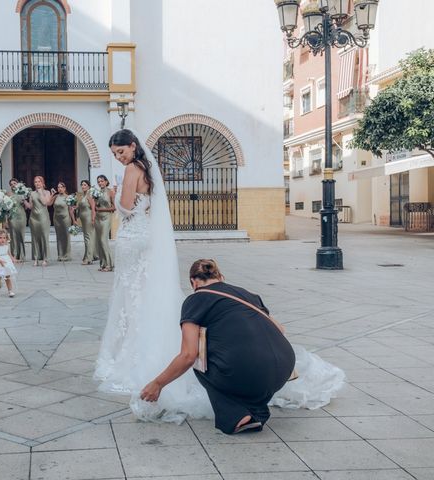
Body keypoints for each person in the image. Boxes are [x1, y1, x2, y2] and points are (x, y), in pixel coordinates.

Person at [94, 129, 345, 425]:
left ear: (132, 146)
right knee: (141, 295)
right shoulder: (146, 169)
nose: (118, 157)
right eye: (115, 154)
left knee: (133, 298)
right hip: (145, 238)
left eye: (120, 152)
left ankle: (137, 354)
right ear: (219, 276)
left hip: (133, 239)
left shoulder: (130, 169)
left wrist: (113, 193)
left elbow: (124, 208)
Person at [140, 259, 296, 434]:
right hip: (285, 366)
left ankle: (237, 417)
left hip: (252, 369)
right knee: (237, 359)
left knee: (200, 362)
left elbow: (188, 355)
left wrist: (158, 383)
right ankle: (255, 409)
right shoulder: (247, 293)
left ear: (193, 282)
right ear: (221, 277)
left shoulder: (195, 299)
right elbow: (280, 329)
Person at [24, 175, 51, 266]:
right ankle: (36, 258)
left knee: (44, 237)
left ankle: (45, 258)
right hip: (34, 218)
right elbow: (31, 206)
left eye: (39, 181)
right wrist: (24, 200)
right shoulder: (32, 193)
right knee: (34, 238)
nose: (37, 183)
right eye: (35, 182)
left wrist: (40, 193)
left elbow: (45, 203)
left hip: (43, 217)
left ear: (42, 183)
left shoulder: (47, 192)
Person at [71, 180, 96, 265]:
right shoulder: (82, 196)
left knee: (88, 237)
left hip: (88, 217)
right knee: (86, 237)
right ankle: (87, 256)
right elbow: (79, 206)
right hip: (83, 218)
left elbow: (93, 208)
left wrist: (93, 218)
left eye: (85, 185)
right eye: (82, 185)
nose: (83, 186)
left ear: (88, 186)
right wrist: (74, 207)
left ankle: (89, 258)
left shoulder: (89, 195)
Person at [94, 175, 115, 272]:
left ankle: (109, 265)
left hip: (106, 217)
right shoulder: (97, 193)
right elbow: (94, 206)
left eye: (102, 181)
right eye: (98, 181)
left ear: (106, 182)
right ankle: (103, 264)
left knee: (103, 240)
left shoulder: (110, 192)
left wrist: (101, 209)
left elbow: (114, 207)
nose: (100, 183)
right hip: (98, 218)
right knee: (99, 241)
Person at [7, 178, 27, 262]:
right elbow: (6, 208)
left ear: (17, 184)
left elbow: (26, 207)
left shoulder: (22, 193)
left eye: (14, 183)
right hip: (12, 217)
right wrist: (5, 220)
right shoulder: (8, 194)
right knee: (13, 236)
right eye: (11, 184)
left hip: (21, 216)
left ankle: (22, 255)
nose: (13, 185)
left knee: (21, 235)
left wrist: (24, 202)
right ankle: (14, 255)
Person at [51, 182, 72, 261]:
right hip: (57, 218)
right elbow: (48, 203)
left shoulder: (68, 197)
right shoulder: (56, 197)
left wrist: (74, 220)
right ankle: (60, 255)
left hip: (65, 218)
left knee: (66, 236)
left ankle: (67, 255)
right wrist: (52, 194)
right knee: (59, 236)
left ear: (64, 188)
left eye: (61, 187)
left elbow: (70, 209)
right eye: (58, 187)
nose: (59, 189)